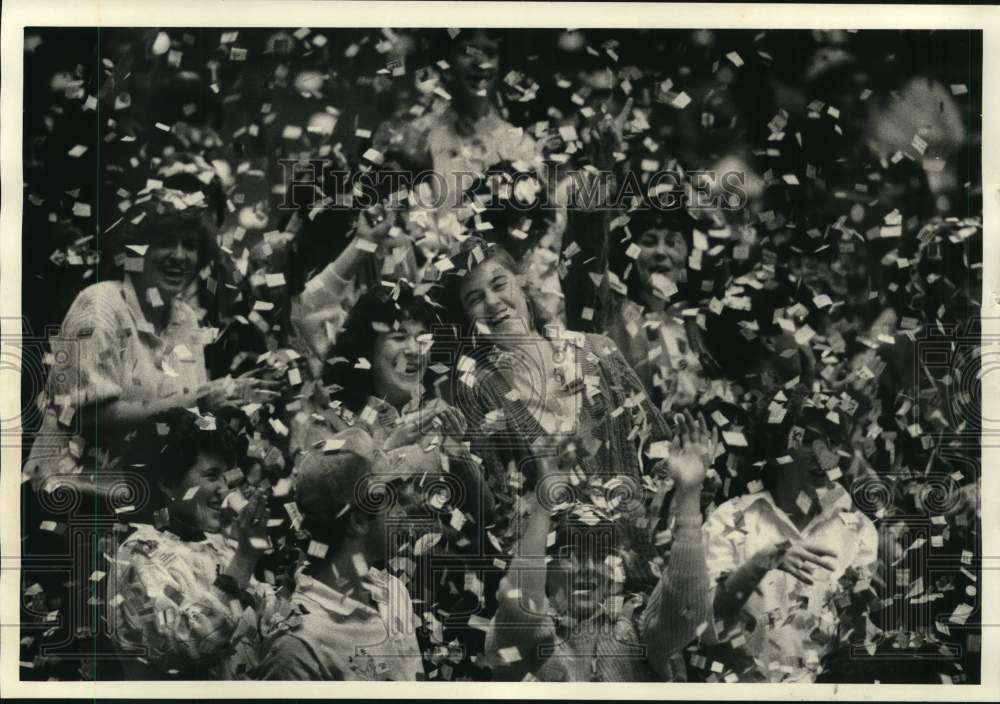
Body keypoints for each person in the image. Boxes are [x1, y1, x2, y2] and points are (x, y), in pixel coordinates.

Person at [23, 186, 277, 493]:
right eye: (166, 243)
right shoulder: (99, 304)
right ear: (135, 249)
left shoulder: (187, 319)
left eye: (191, 245)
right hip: (69, 497)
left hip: (143, 503)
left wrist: (228, 402)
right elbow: (89, 419)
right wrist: (196, 400)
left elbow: (183, 425)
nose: (180, 256)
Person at [484, 412, 717, 681]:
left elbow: (686, 613)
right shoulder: (520, 637)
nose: (588, 568)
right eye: (571, 554)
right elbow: (520, 608)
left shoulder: (636, 630)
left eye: (600, 556)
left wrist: (688, 497)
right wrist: (543, 504)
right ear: (545, 565)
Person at [433, 237, 672, 486]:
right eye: (475, 299)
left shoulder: (599, 350)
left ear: (523, 285)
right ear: (468, 319)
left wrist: (677, 471)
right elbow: (500, 503)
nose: (492, 301)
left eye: (499, 284)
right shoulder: (480, 394)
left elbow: (658, 445)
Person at [702, 393, 878, 682]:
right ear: (776, 450)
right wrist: (761, 562)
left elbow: (857, 636)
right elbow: (707, 624)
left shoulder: (857, 527)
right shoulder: (731, 517)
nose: (825, 455)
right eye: (809, 441)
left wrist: (861, 609)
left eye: (833, 444)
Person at [109, 409, 274, 679]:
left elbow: (264, 620)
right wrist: (245, 559)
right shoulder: (136, 555)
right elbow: (183, 649)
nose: (225, 490)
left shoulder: (220, 543)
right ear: (168, 483)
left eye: (226, 476)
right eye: (211, 475)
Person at [257, 427, 424, 680]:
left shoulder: (393, 591)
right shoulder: (300, 646)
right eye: (393, 501)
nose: (402, 514)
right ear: (358, 521)